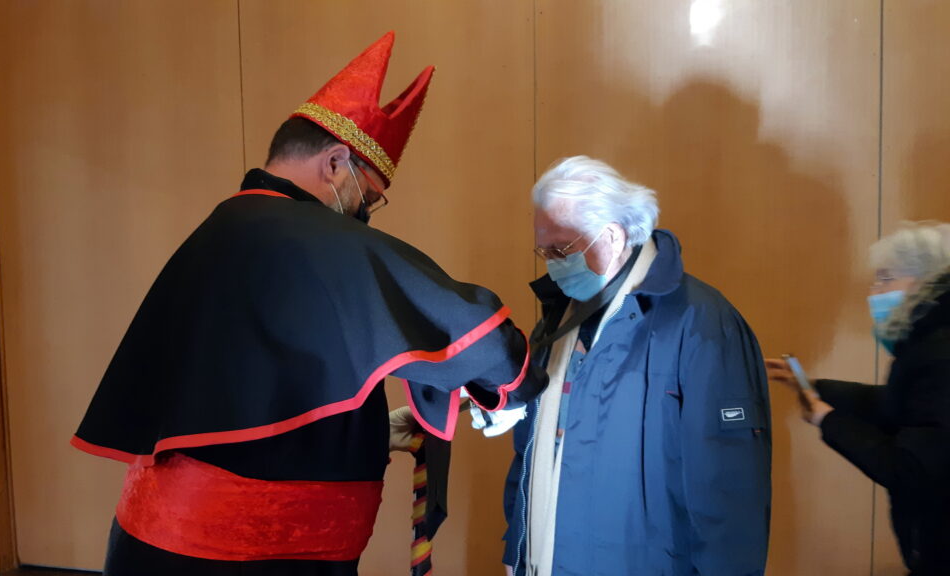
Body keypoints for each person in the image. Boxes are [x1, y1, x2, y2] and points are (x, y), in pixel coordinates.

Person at [71, 32, 545, 576]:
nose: (367, 213)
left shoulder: (225, 227)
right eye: (368, 197)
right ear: (336, 162)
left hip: (150, 539)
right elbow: (482, 336)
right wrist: (511, 389)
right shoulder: (313, 238)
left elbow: (260, 388)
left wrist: (365, 426)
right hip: (253, 556)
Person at [501, 156, 772, 576]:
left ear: (611, 235)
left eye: (562, 249)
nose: (552, 263)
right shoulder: (559, 318)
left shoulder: (702, 324)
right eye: (545, 250)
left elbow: (729, 492)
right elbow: (530, 450)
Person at [766, 222, 950, 575]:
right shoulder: (928, 345)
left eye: (886, 279)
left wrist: (828, 420)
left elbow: (909, 469)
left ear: (925, 282)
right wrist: (811, 385)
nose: (874, 293)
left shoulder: (941, 353)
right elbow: (901, 408)